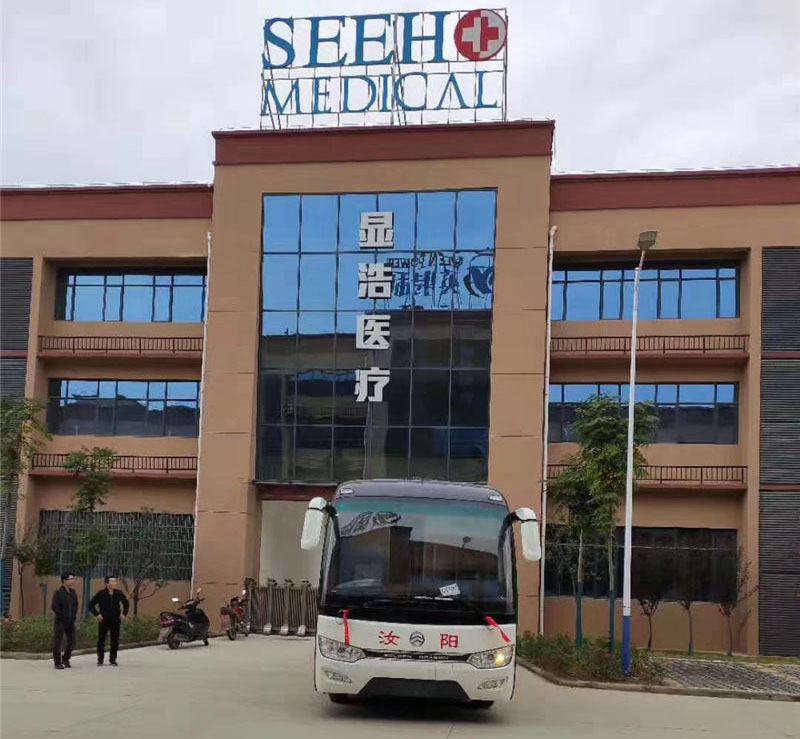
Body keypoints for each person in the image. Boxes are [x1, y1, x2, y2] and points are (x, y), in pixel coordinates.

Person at [89, 576, 129, 666]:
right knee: (101, 640)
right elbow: (90, 605)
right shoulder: (101, 593)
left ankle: (112, 660)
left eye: (115, 581)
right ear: (107, 583)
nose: (115, 583)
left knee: (114, 640)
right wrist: (97, 614)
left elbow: (126, 603)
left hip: (115, 619)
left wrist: (124, 614)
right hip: (104, 620)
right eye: (112, 581)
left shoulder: (119, 593)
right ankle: (100, 660)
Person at [52, 572, 78, 670]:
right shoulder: (58, 593)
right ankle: (57, 662)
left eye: (73, 579)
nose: (73, 581)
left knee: (72, 641)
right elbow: (54, 606)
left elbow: (75, 605)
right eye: (71, 579)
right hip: (60, 621)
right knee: (58, 642)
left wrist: (73, 616)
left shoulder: (73, 592)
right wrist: (61, 616)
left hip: (70, 621)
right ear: (64, 580)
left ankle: (66, 659)